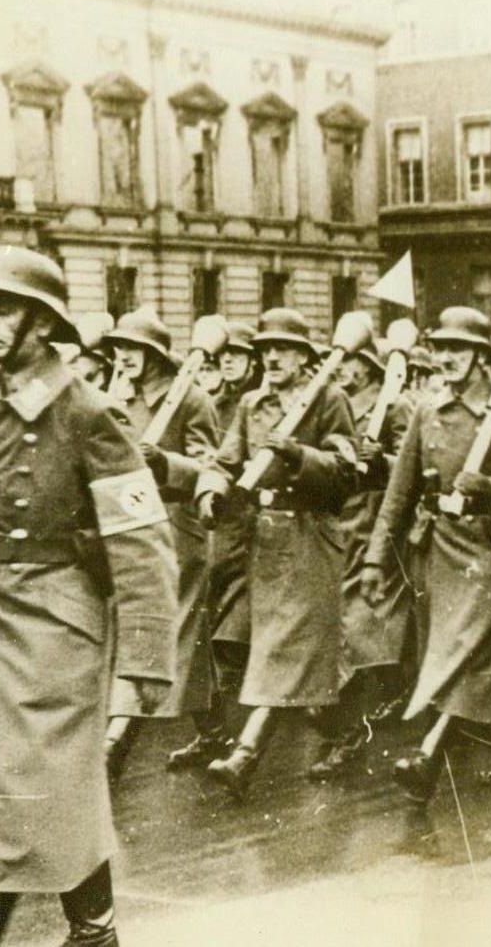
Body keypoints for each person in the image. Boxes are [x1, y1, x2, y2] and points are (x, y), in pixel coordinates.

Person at [0, 246, 178, 947]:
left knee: (22, 801)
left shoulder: (87, 412)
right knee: (36, 793)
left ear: (41, 325)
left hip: (56, 627)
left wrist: (143, 664)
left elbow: (141, 540)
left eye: (3, 310)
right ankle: (95, 930)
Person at [362, 307, 491, 805]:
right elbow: (399, 493)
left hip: (489, 549)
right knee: (456, 658)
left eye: (458, 349)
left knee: (466, 654)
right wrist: (377, 558)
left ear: (482, 356)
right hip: (437, 552)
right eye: (440, 349)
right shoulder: (425, 409)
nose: (446, 359)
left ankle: (428, 758)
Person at [197, 308, 355, 801]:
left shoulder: (330, 398)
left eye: (282, 349)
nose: (271, 358)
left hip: (311, 534)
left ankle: (246, 754)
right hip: (264, 539)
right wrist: (210, 490)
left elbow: (347, 471)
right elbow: (224, 460)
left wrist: (298, 457)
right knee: (291, 652)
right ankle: (346, 728)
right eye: (265, 350)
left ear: (305, 356)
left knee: (286, 648)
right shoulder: (251, 404)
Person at [102, 309, 222, 778]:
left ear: (155, 355)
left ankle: (117, 742)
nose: (123, 357)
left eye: (133, 349)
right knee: (182, 642)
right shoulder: (119, 399)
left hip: (177, 530)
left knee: (155, 636)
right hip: (131, 525)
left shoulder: (191, 399)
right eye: (119, 348)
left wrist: (165, 462)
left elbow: (210, 468)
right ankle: (214, 732)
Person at [307, 339, 416, 780]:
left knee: (355, 619)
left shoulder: (395, 405)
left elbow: (413, 463)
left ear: (370, 367)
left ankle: (347, 720)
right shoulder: (336, 403)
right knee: (339, 616)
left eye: (351, 361)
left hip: (377, 519)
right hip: (343, 516)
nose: (343, 368)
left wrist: (384, 460)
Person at [192, 321, 260, 754]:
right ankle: (215, 730)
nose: (229, 361)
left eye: (238, 354)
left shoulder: (258, 405)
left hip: (255, 520)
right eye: (223, 356)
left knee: (237, 624)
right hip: (220, 516)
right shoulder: (212, 402)